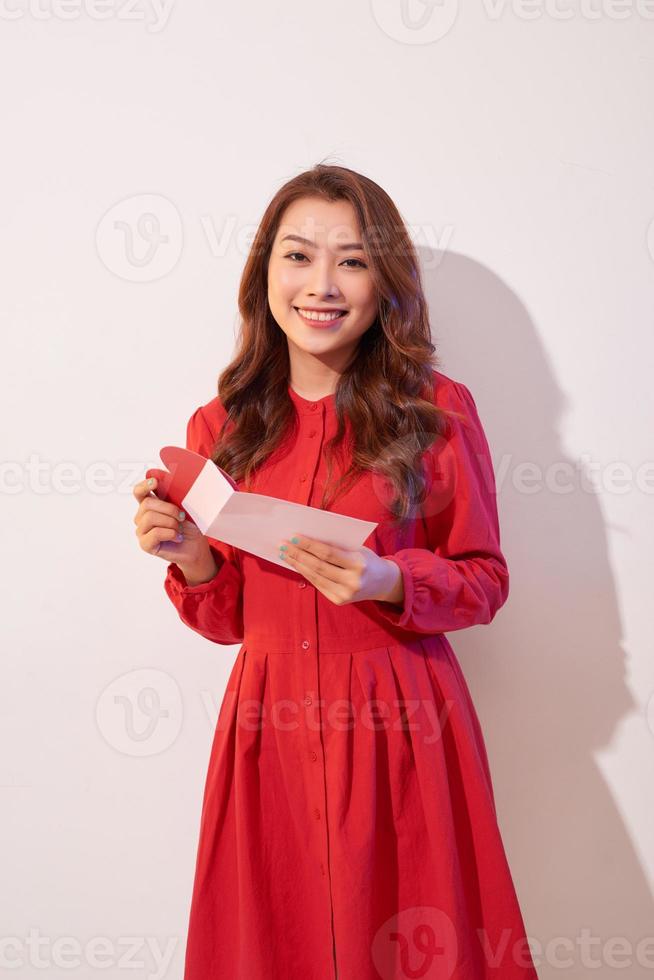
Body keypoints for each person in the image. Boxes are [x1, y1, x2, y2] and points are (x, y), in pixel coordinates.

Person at [132, 164, 538, 979]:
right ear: (264, 274)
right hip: (266, 728)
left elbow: (485, 579)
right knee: (274, 938)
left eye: (351, 260)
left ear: (384, 280)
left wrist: (389, 580)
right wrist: (195, 558)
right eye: (298, 256)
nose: (321, 285)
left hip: (404, 726)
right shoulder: (222, 425)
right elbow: (230, 622)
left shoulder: (438, 410)